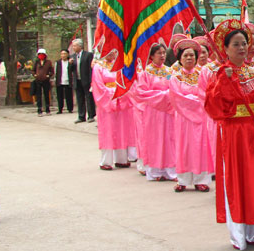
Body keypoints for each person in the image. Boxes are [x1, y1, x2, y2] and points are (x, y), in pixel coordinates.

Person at [205, 20, 254, 250]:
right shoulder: (219, 74)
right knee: (237, 181)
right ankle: (239, 233)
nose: (241, 48)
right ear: (225, 48)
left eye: (244, 43)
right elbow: (214, 107)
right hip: (234, 133)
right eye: (235, 44)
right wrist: (224, 81)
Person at [168, 39, 215, 193]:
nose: (189, 58)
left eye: (192, 55)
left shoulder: (203, 75)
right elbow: (176, 97)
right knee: (184, 147)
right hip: (183, 118)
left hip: (201, 118)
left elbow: (208, 93)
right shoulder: (175, 77)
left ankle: (201, 180)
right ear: (180, 59)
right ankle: (182, 179)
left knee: (200, 147)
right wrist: (197, 101)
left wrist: (199, 102)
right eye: (186, 55)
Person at [132, 43, 178, 182]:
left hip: (168, 111)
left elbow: (175, 89)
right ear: (151, 56)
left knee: (170, 140)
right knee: (154, 140)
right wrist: (163, 96)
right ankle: (155, 171)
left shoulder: (170, 72)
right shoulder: (145, 73)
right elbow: (141, 92)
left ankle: (171, 171)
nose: (162, 56)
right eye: (159, 53)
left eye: (164, 53)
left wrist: (168, 96)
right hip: (153, 111)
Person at [92, 50, 136, 170]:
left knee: (122, 129)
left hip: (122, 100)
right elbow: (98, 86)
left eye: (114, 51)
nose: (111, 54)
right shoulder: (98, 67)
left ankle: (121, 159)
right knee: (108, 130)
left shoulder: (121, 66)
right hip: (107, 102)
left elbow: (127, 81)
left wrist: (123, 93)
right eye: (108, 51)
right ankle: (106, 161)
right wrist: (113, 93)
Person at [71, 38, 95, 124]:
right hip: (77, 80)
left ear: (80, 46)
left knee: (89, 97)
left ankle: (91, 115)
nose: (73, 47)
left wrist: (91, 80)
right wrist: (70, 64)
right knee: (80, 98)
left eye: (74, 46)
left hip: (86, 80)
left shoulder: (88, 55)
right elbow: (70, 70)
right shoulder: (72, 57)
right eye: (73, 46)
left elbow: (91, 69)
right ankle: (81, 116)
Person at [32, 48, 53, 116]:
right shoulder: (36, 62)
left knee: (46, 95)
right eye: (40, 54)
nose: (41, 56)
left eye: (42, 54)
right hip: (38, 80)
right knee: (38, 95)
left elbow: (51, 71)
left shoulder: (48, 62)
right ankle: (39, 110)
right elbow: (33, 70)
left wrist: (48, 76)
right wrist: (35, 75)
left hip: (46, 80)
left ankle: (47, 109)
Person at [55, 49, 74, 114]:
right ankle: (60, 109)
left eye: (64, 54)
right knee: (60, 96)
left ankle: (70, 108)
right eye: (62, 54)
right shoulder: (58, 62)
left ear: (67, 54)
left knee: (69, 95)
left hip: (68, 81)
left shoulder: (70, 61)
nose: (63, 55)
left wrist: (71, 64)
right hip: (60, 81)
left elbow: (72, 70)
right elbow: (55, 72)